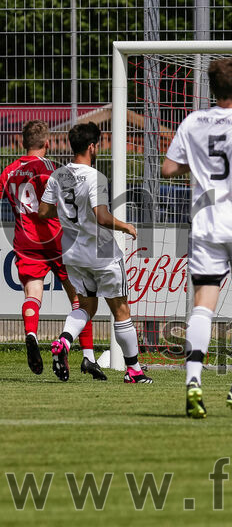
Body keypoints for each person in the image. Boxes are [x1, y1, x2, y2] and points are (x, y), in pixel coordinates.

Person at [161, 57, 232, 419]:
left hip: (205, 223)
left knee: (202, 306)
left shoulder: (193, 122)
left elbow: (168, 168)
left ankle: (193, 381)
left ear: (211, 89)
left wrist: (201, 163)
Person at [38, 122, 151, 384]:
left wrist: (68, 214)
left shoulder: (58, 175)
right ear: (92, 146)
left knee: (86, 306)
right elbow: (101, 216)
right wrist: (126, 226)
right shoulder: (95, 176)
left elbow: (43, 212)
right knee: (120, 309)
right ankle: (133, 371)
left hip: (74, 255)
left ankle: (64, 341)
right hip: (101, 252)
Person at [1, 120, 105, 379]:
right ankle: (87, 357)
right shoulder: (52, 170)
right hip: (59, 240)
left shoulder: (9, 171)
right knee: (80, 298)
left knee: (32, 294)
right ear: (47, 143)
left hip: (26, 241)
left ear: (23, 143)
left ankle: (32, 334)